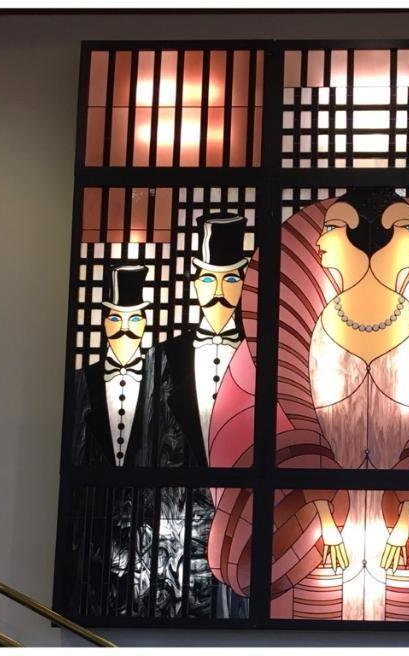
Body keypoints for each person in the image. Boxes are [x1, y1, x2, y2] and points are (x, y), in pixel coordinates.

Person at [271, 188, 409, 622]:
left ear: (372, 240)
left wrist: (405, 520)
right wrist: (325, 520)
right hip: (329, 522)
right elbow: (304, 434)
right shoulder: (321, 328)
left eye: (331, 228)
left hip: (403, 523)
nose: (320, 240)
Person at [155, 213, 258, 618]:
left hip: (248, 522)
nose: (218, 292)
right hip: (175, 529)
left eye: (231, 279)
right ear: (194, 281)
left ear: (245, 282)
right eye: (208, 279)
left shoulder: (264, 355)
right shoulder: (163, 358)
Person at [71, 264, 155, 467]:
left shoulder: (158, 379)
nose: (125, 328)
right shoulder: (83, 379)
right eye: (116, 318)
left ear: (144, 324)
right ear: (105, 323)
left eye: (134, 318)